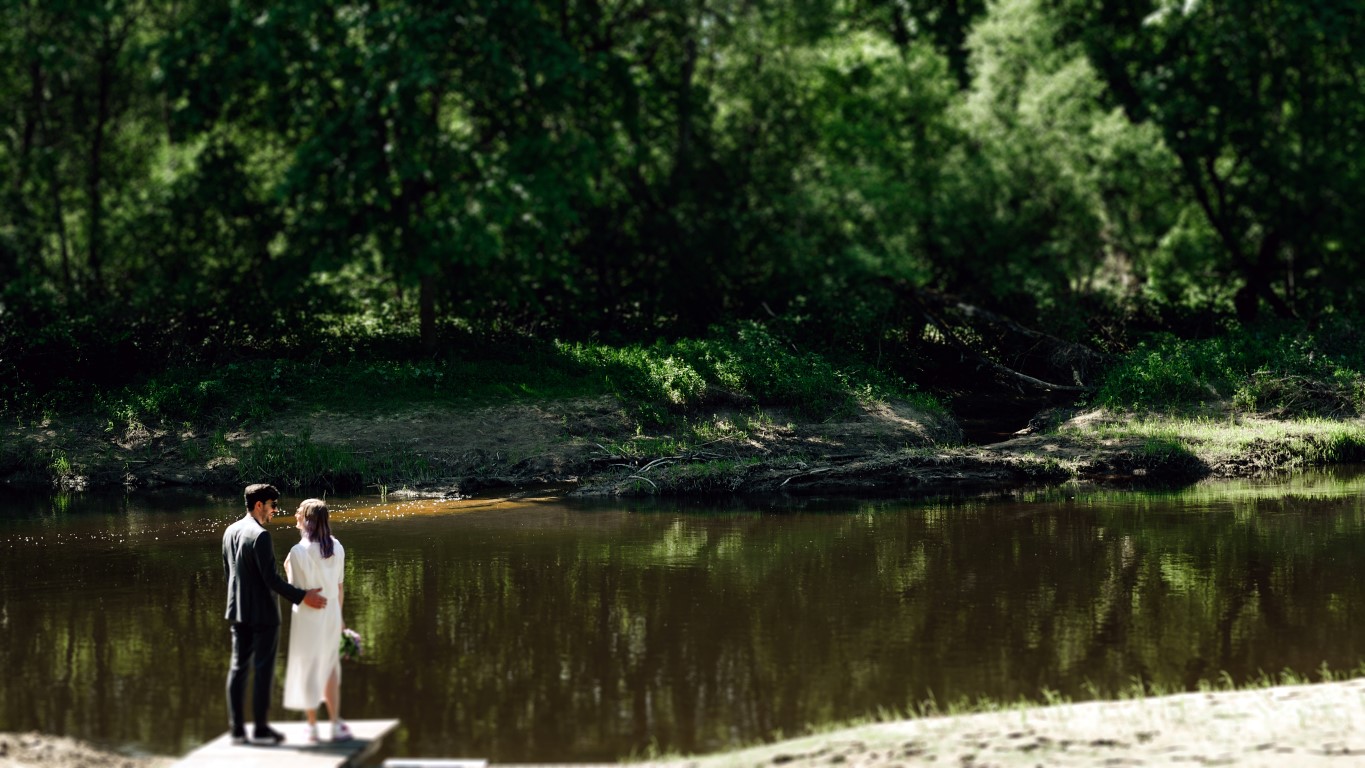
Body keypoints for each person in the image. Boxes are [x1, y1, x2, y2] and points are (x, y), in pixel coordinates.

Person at [223, 483, 327, 746]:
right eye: (273, 505)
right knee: (262, 670)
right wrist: (303, 596)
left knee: (237, 669)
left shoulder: (229, 531)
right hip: (263, 615)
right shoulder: (260, 536)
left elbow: (229, 574)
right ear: (259, 505)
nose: (275, 511)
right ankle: (260, 730)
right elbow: (272, 580)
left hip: (237, 610)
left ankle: (236, 730)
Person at [282, 498, 352, 742]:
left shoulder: (297, 552)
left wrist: (287, 567)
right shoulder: (337, 547)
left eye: (299, 512)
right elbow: (340, 587)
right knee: (330, 667)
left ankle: (312, 727)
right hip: (331, 611)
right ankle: (335, 723)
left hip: (308, 614)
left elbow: (295, 590)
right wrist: (339, 617)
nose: (295, 515)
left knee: (308, 667)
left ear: (307, 519)